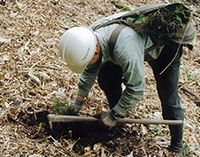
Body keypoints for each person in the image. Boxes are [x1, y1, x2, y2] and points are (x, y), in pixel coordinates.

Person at [59, 3, 196, 155]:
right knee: (105, 72)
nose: (88, 64)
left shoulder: (125, 49)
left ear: (96, 52)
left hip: (167, 47)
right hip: (134, 43)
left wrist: (112, 115)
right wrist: (78, 101)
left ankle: (177, 146)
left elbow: (136, 89)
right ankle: (117, 118)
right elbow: (91, 67)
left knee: (168, 95)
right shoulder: (91, 37)